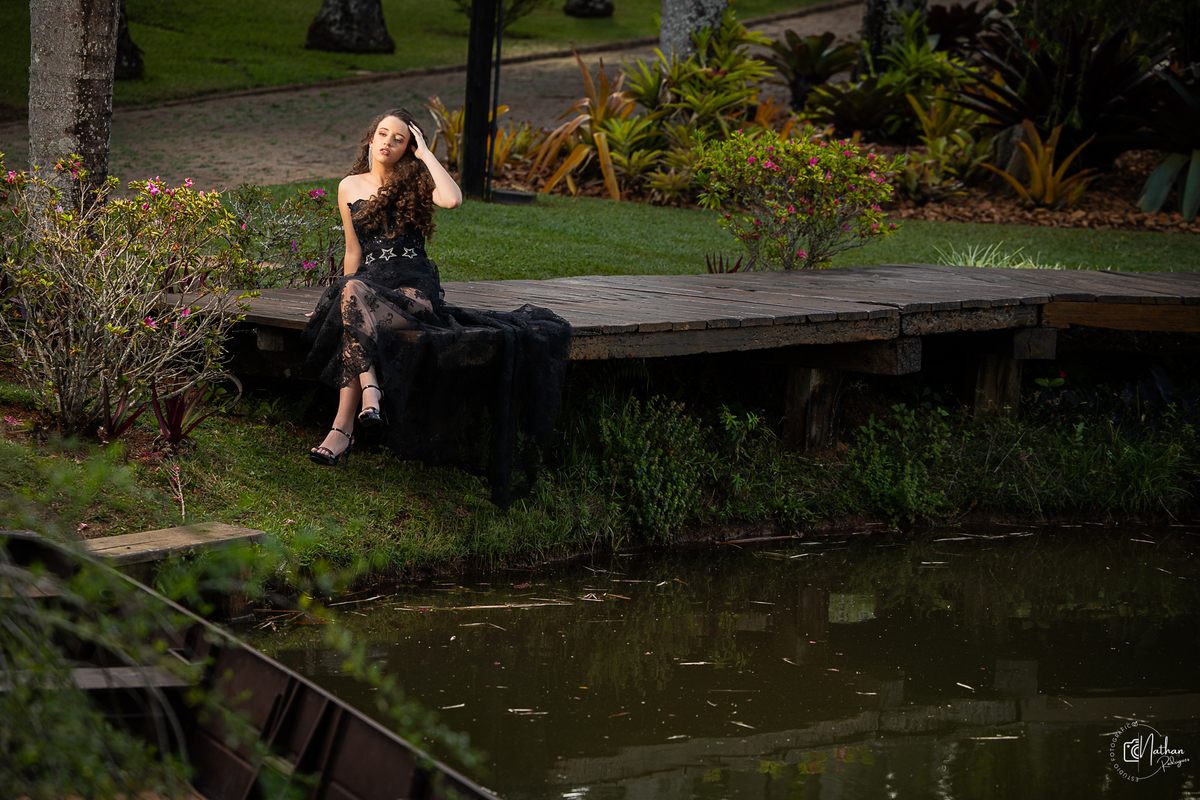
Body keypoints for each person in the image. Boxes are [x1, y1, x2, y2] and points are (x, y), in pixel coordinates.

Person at [302, 108, 570, 508]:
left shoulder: (416, 180)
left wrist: (426, 154)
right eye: (382, 134)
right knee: (352, 296)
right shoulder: (348, 186)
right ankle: (366, 396)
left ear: (408, 147)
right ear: (371, 139)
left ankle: (343, 428)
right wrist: (336, 300)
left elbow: (453, 199)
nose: (388, 142)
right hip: (368, 288)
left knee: (354, 309)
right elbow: (353, 252)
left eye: (399, 139)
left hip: (413, 291)